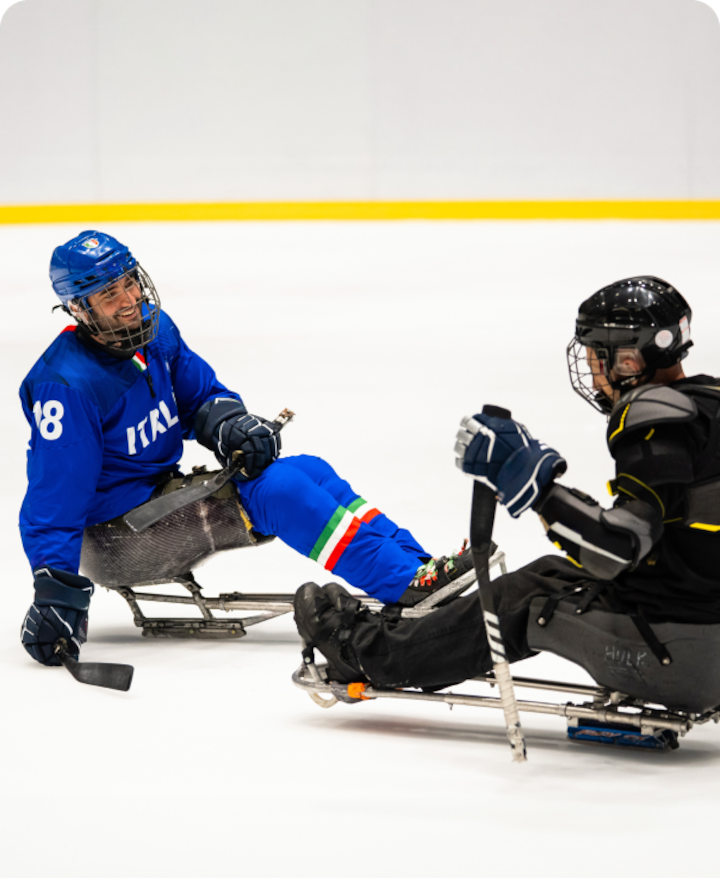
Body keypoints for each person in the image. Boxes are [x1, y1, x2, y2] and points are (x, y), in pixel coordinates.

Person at [19, 230, 471, 668]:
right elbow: (53, 501)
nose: (129, 299)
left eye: (129, 282)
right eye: (109, 294)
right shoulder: (65, 387)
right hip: (114, 537)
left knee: (310, 469)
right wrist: (57, 594)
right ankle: (402, 585)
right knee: (280, 491)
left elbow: (200, 397)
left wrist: (232, 427)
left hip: (154, 500)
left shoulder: (155, 331)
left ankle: (417, 568)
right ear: (79, 309)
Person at [294, 276, 720, 712]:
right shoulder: (710, 404)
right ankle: (407, 637)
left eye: (596, 357)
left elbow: (615, 550)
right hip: (704, 631)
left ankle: (365, 653)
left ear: (629, 360)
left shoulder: (655, 415)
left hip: (679, 653)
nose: (593, 373)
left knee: (522, 600)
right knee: (553, 573)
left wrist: (535, 488)